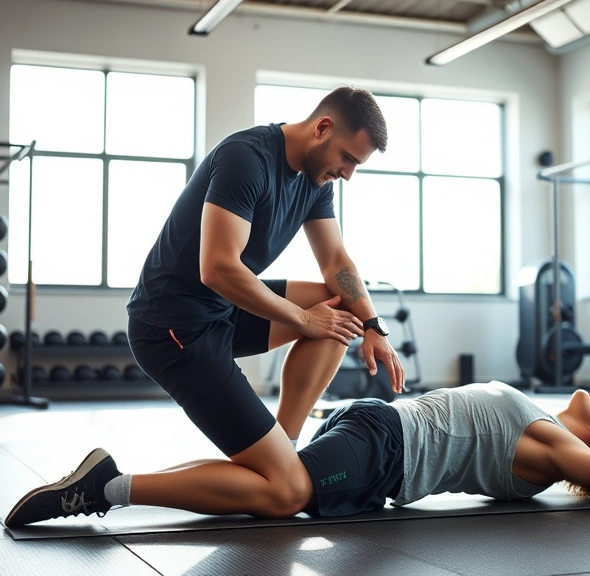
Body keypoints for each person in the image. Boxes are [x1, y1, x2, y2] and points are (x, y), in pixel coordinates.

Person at [121, 86, 406, 513]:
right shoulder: (246, 157)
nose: (348, 174)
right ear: (322, 128)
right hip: (172, 328)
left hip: (220, 313)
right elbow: (217, 267)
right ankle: (109, 487)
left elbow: (335, 261)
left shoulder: (315, 180)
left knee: (341, 308)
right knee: (287, 493)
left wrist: (373, 324)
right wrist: (302, 319)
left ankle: (284, 446)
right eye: (348, 158)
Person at [4, 382, 590, 526]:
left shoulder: (556, 443)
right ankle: (107, 489)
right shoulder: (543, 417)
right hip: (376, 439)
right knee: (279, 491)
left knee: (275, 490)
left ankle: (106, 487)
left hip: (380, 453)